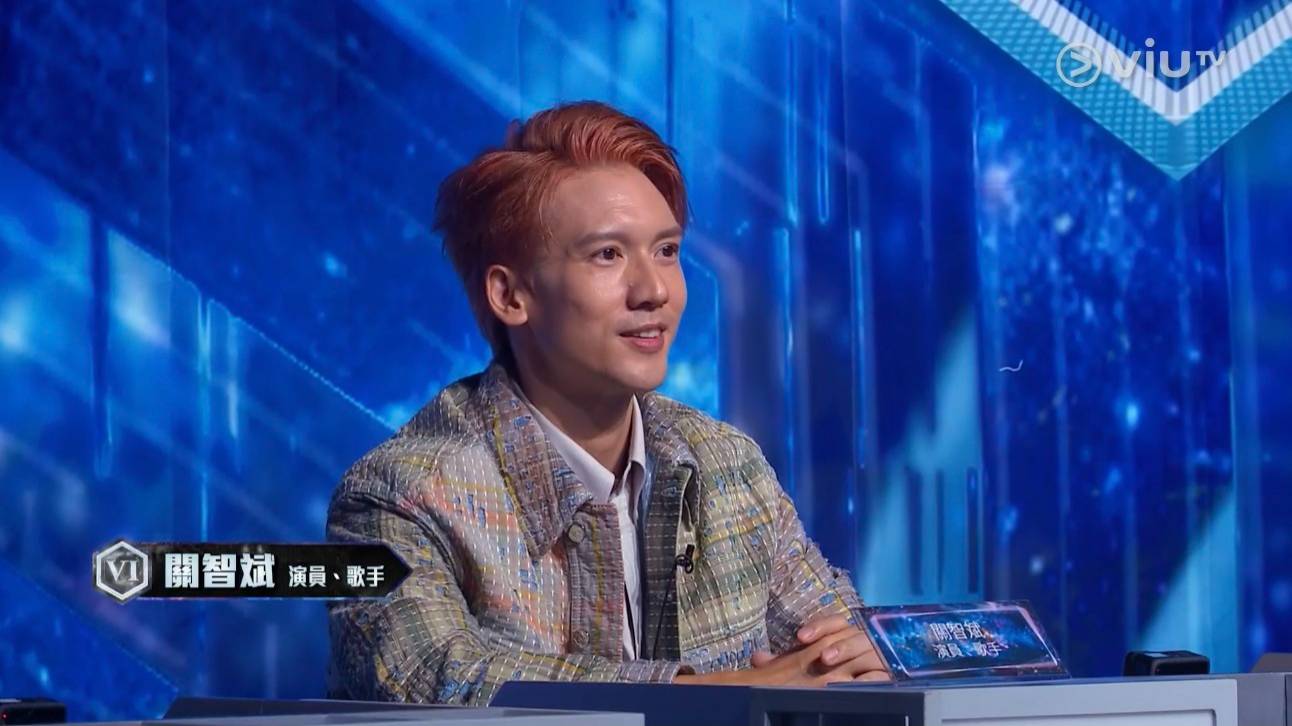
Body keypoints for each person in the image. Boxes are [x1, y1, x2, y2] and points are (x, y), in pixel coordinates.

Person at [326, 100, 888, 706]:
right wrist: (740, 693)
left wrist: (870, 656)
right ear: (510, 295)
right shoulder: (396, 498)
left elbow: (847, 647)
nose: (653, 290)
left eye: (667, 250)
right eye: (607, 255)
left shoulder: (728, 465)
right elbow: (441, 682)